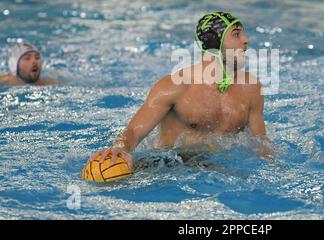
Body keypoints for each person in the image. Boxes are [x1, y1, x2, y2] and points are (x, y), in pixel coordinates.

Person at [90, 12, 272, 168]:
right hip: (168, 168)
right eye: (236, 34)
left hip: (219, 170)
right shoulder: (174, 87)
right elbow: (133, 131)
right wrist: (120, 148)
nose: (246, 40)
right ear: (214, 43)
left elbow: (261, 145)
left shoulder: (251, 88)